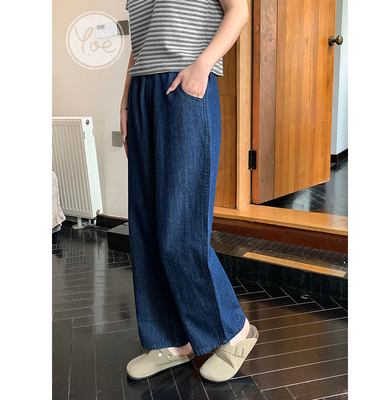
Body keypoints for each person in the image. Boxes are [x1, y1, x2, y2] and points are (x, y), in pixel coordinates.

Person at [120, 0, 258, 382]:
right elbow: (142, 40)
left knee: (180, 228)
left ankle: (235, 330)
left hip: (184, 83)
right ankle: (170, 340)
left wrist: (203, 65)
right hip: (143, 88)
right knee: (146, 226)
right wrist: (126, 100)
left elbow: (239, 10)